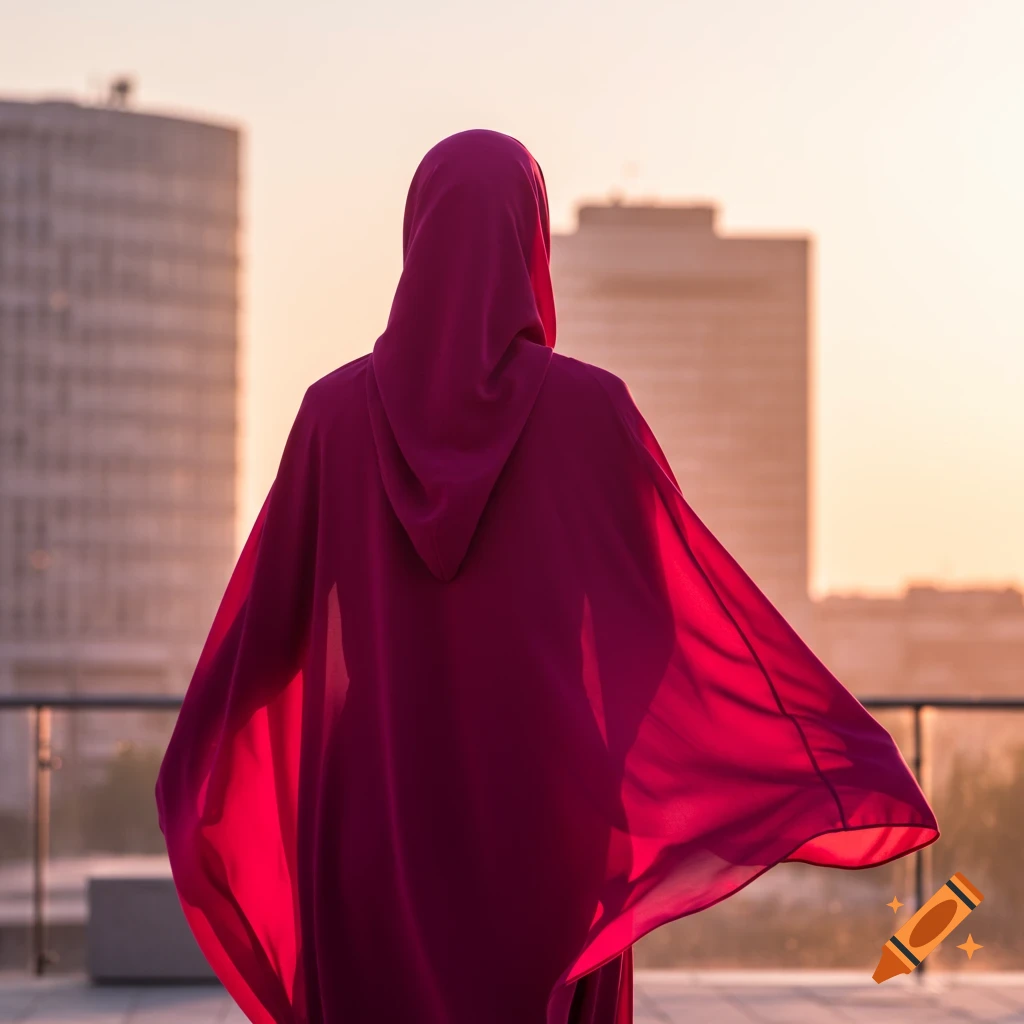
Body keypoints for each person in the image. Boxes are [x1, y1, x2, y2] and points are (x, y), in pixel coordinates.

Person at [155, 129, 938, 1024]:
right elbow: (662, 624)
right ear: (530, 246)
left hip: (372, 818)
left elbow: (264, 647)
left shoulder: (332, 419)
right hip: (546, 822)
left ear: (416, 241)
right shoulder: (591, 412)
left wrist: (202, 772)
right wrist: (609, 760)